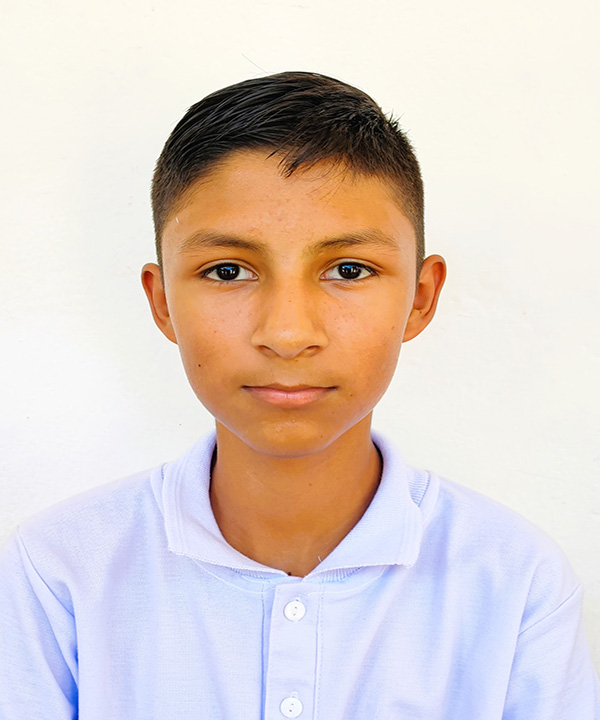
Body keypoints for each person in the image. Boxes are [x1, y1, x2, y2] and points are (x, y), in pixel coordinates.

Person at [0, 71, 598, 719]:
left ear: (420, 298)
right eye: (228, 271)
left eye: (348, 270)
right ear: (163, 301)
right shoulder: (58, 573)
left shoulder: (514, 583)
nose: (287, 334)